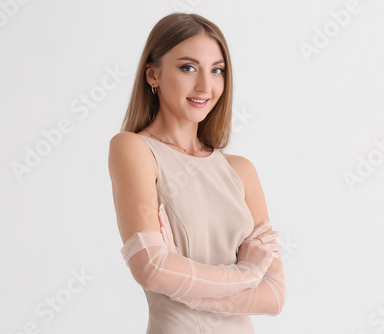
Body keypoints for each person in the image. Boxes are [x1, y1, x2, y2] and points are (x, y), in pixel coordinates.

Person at [108, 12, 285, 334]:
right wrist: (246, 272)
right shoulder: (133, 149)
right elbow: (151, 269)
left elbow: (273, 295)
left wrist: (189, 287)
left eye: (217, 70)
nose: (206, 85)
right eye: (188, 67)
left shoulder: (240, 170)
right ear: (152, 75)